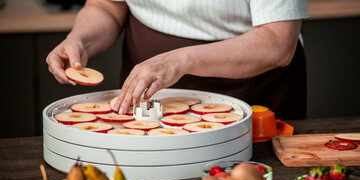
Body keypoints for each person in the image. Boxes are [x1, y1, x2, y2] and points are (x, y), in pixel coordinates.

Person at [47, 0, 309, 120]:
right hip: (146, 96)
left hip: (253, 92)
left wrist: (178, 60)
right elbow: (107, 5)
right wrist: (79, 40)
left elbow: (277, 42)